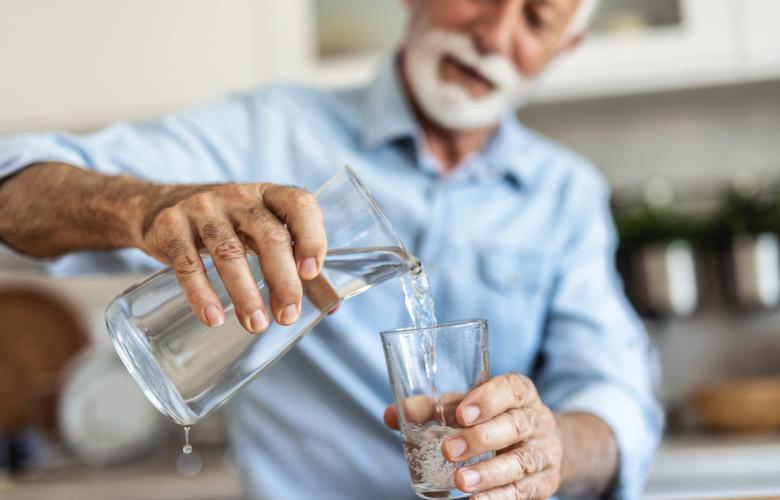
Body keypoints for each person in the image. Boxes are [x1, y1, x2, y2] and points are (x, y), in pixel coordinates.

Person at [0, 0, 662, 498]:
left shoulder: (565, 193)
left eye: (537, 18)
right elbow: (14, 183)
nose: (494, 33)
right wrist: (144, 207)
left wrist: (554, 447)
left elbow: (615, 393)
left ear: (565, 46)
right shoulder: (269, 133)